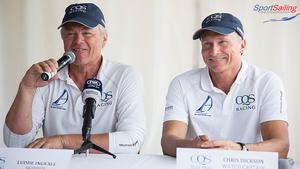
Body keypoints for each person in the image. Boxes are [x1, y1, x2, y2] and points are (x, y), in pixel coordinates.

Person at [3, 3, 145, 154]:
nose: (78, 41)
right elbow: (15, 143)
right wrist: (27, 88)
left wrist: (63, 141)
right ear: (63, 39)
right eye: (70, 34)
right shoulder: (46, 77)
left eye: (87, 33)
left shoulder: (124, 75)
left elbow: (132, 141)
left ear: (104, 39)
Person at [161, 13, 289, 158]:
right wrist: (195, 146)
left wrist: (240, 150)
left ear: (242, 45)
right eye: (207, 44)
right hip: (200, 164)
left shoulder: (266, 82)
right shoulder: (181, 83)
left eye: (222, 42)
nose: (214, 51)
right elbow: (168, 141)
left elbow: (281, 146)